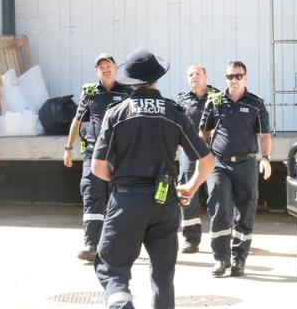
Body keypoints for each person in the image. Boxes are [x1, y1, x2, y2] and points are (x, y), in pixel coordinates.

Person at [91, 49, 214, 309]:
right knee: (163, 276)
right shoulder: (173, 112)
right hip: (164, 199)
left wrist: (123, 182)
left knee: (112, 269)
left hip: (127, 201)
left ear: (131, 79)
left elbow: (98, 167)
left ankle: (121, 303)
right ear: (157, 78)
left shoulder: (117, 112)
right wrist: (190, 188)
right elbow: (207, 161)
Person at [199, 60, 272, 277]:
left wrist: (266, 158)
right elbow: (203, 133)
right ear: (226, 78)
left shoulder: (256, 104)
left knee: (246, 212)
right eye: (230, 76)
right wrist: (204, 156)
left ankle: (239, 259)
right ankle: (220, 259)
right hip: (219, 164)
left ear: (245, 78)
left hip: (247, 163)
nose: (234, 80)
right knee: (220, 208)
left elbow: (265, 135)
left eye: (238, 76)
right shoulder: (214, 102)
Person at [63, 53, 132, 262]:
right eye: (101, 66)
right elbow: (78, 120)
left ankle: (118, 244)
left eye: (108, 65)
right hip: (94, 153)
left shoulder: (128, 92)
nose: (105, 69)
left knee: (120, 199)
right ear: (96, 71)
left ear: (115, 66)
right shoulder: (90, 92)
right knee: (92, 195)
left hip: (120, 154)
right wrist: (68, 148)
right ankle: (91, 245)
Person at [176, 64, 219, 254]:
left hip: (214, 151)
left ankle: (221, 238)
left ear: (206, 76)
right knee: (187, 191)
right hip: (189, 151)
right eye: (190, 74)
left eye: (198, 74)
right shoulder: (182, 100)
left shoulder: (218, 97)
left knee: (217, 193)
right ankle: (190, 239)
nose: (194, 77)